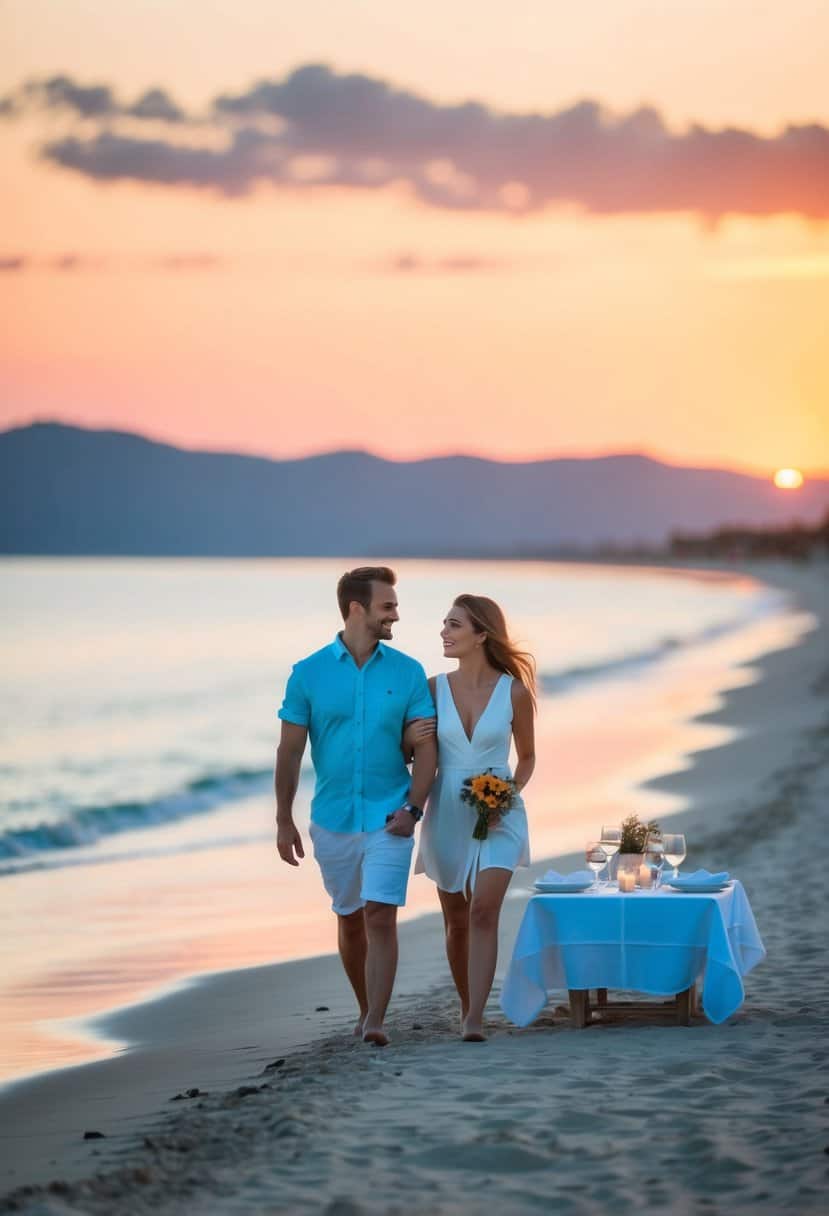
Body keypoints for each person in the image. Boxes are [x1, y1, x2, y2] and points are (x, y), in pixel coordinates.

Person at [275, 567, 437, 1046]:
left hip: (392, 813)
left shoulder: (407, 672)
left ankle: (376, 1022)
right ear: (356, 609)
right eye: (388, 606)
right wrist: (283, 819)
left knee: (380, 915)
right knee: (348, 917)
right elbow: (289, 752)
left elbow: (426, 747)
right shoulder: (307, 674)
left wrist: (413, 808)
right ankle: (366, 1006)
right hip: (333, 819)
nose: (396, 615)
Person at [408, 594, 535, 1041]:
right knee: (456, 918)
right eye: (444, 624)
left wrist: (506, 796)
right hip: (447, 807)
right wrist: (410, 735)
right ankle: (467, 1003)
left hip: (500, 810)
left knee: (484, 911)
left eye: (454, 625)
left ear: (482, 634)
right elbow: (411, 752)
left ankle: (475, 1017)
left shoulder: (514, 691)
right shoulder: (430, 688)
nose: (444, 632)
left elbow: (528, 758)